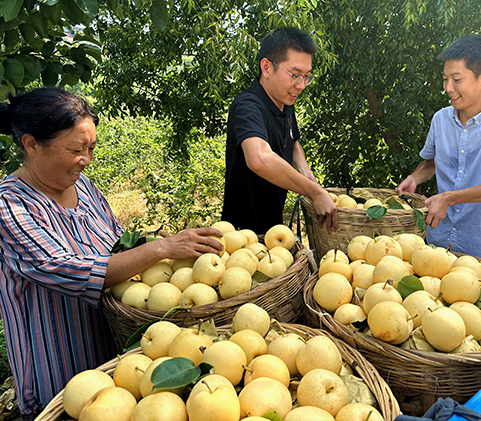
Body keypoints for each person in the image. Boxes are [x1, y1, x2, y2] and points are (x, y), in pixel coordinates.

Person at [0, 87, 223, 416]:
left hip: (115, 361)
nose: (86, 160)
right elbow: (64, 269)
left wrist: (156, 246)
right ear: (31, 144)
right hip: (60, 368)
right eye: (76, 149)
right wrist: (162, 247)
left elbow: (119, 243)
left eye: (90, 147)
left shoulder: (84, 188)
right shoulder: (10, 204)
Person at [397, 34, 481, 262]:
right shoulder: (440, 119)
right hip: (435, 246)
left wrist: (450, 198)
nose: (448, 88)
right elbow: (431, 162)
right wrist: (415, 177)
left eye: (457, 79)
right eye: (445, 79)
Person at [222, 26, 338, 235]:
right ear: (266, 68)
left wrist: (304, 170)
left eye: (306, 76)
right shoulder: (247, 106)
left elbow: (292, 140)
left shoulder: (285, 104)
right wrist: (315, 192)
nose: (301, 85)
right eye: (294, 75)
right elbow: (259, 158)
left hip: (272, 229)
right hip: (242, 235)